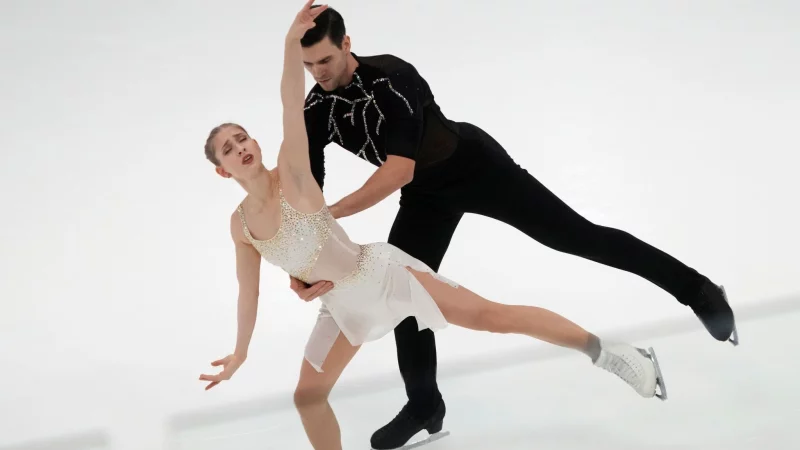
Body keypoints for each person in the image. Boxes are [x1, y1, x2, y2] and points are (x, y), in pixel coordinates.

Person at [199, 3, 668, 450]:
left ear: (256, 142)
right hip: (340, 307)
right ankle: (425, 407)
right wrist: (240, 353)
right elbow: (249, 293)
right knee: (307, 397)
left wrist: (289, 40)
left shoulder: (295, 172)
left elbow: (289, 102)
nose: (239, 147)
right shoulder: (241, 226)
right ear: (222, 172)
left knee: (492, 317)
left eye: (242, 137)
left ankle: (614, 355)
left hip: (381, 277)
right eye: (227, 149)